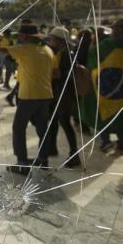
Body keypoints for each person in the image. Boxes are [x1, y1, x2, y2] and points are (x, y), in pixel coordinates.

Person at [80, 18, 123, 155]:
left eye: (116, 28)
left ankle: (107, 142)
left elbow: (93, 59)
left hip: (106, 90)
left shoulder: (106, 46)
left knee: (104, 115)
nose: (115, 31)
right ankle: (119, 145)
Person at [0, 24, 55, 173]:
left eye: (20, 36)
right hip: (46, 95)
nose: (18, 38)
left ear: (26, 37)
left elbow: (0, 50)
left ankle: (22, 164)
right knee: (42, 129)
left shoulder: (26, 49)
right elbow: (55, 72)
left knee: (19, 128)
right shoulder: (47, 50)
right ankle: (42, 160)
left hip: (29, 96)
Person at [45, 27, 81, 168]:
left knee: (65, 122)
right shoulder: (60, 52)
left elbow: (65, 75)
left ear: (59, 40)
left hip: (65, 94)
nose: (50, 40)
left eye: (52, 38)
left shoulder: (67, 54)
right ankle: (52, 148)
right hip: (58, 93)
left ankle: (74, 155)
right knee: (54, 121)